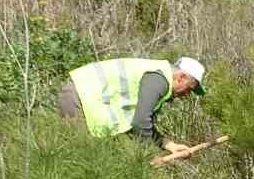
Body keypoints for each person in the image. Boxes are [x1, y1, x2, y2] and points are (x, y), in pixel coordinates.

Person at [58, 56, 206, 153]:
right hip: (80, 95)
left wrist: (169, 145)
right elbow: (140, 122)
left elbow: (143, 122)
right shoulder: (159, 80)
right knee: (78, 157)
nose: (186, 95)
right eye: (189, 89)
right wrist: (149, 156)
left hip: (85, 98)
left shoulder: (161, 80)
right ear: (181, 78)